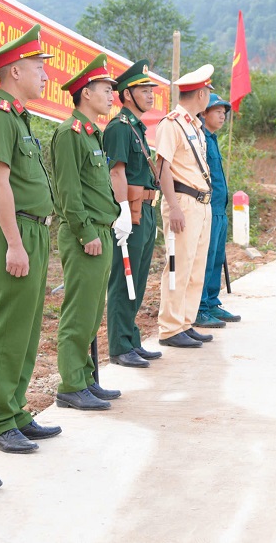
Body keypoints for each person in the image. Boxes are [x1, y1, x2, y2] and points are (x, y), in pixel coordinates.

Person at [0, 24, 60, 454]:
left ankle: (16, 409)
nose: (45, 76)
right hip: (14, 230)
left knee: (27, 326)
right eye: (37, 68)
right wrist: (13, 243)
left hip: (36, 229)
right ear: (13, 72)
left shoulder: (21, 118)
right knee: (8, 325)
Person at [50, 54, 122, 411]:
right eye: (105, 90)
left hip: (102, 232)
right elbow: (68, 191)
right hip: (86, 236)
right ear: (85, 93)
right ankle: (71, 384)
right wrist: (85, 232)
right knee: (78, 312)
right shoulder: (69, 133)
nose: (111, 96)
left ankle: (87, 378)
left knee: (93, 312)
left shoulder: (93, 134)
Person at [103, 59, 163, 369]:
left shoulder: (137, 127)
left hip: (147, 210)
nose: (150, 94)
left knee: (138, 280)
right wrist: (123, 211)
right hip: (132, 212)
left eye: (151, 88)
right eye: (143, 89)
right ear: (126, 95)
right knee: (122, 279)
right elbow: (117, 173)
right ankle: (119, 345)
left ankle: (131, 339)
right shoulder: (119, 127)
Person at [155, 64, 216, 348]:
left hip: (201, 202)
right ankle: (169, 327)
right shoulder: (172, 123)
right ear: (202, 94)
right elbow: (162, 167)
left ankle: (185, 321)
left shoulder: (195, 126)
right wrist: (173, 206)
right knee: (177, 264)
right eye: (208, 93)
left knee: (195, 266)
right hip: (183, 201)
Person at [195, 92, 242, 329]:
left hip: (219, 211)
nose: (222, 116)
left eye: (224, 112)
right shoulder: (200, 138)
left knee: (215, 259)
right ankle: (200, 308)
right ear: (204, 113)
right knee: (204, 260)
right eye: (218, 111)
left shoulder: (211, 139)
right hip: (208, 208)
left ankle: (212, 302)